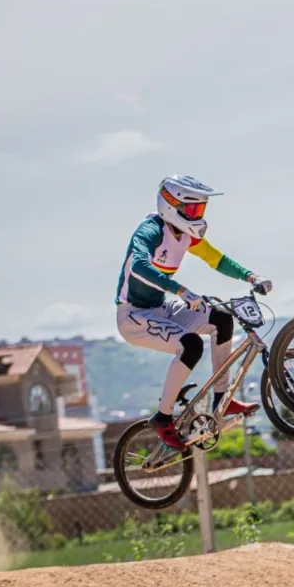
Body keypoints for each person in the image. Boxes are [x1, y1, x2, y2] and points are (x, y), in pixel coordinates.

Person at [115, 175, 273, 449]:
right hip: (134, 316)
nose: (197, 216)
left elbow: (216, 259)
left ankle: (222, 398)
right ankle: (163, 417)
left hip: (160, 308)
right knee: (190, 345)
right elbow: (138, 266)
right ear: (171, 206)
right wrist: (179, 290)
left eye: (200, 210)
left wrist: (250, 276)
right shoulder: (150, 231)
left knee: (221, 320)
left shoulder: (186, 235)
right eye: (192, 210)